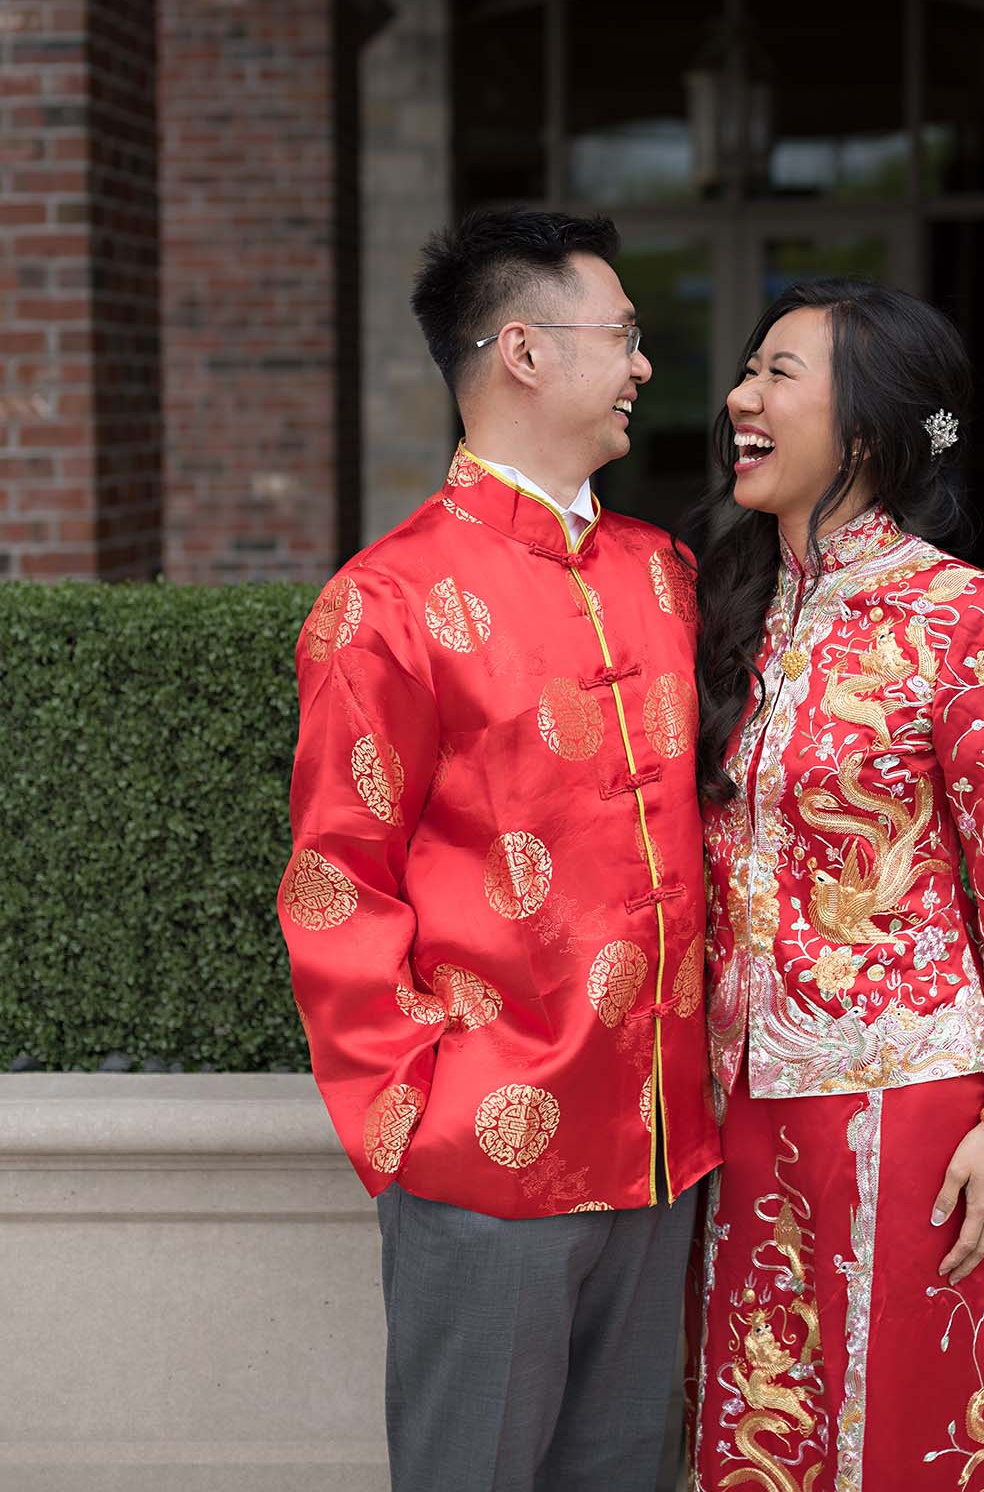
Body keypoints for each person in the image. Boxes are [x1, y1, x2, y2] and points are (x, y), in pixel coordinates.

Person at [278, 207, 720, 1492]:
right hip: (485, 1158)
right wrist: (420, 1112)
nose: (643, 365)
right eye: (623, 335)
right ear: (523, 351)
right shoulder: (387, 602)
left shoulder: (664, 576)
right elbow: (333, 882)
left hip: (659, 1152)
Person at [685, 279, 984, 1492]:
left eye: (775, 375)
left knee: (897, 1426)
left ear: (864, 431)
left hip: (905, 1100)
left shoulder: (966, 618)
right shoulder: (730, 604)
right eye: (747, 372)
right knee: (757, 1425)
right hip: (740, 1093)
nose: (739, 400)